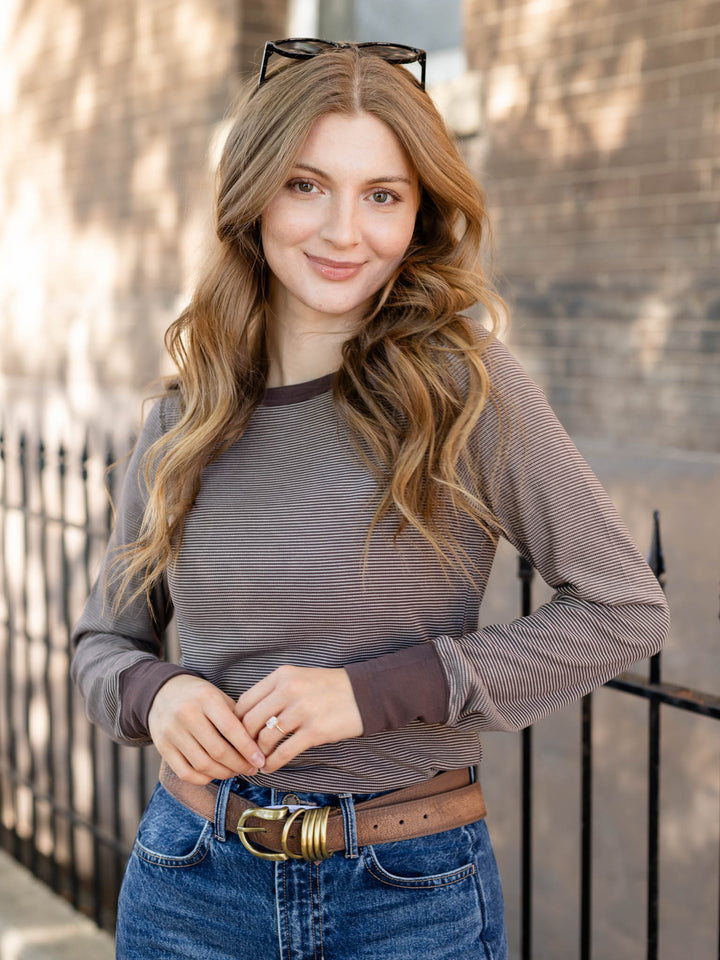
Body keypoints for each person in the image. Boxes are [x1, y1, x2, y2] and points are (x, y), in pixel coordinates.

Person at [71, 39, 670, 960]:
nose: (344, 232)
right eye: (307, 185)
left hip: (407, 896)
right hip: (190, 885)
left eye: (382, 195)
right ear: (253, 194)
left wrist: (379, 692)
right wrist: (156, 696)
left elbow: (625, 611)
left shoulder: (466, 387)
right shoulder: (183, 417)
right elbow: (102, 646)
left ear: (420, 214)